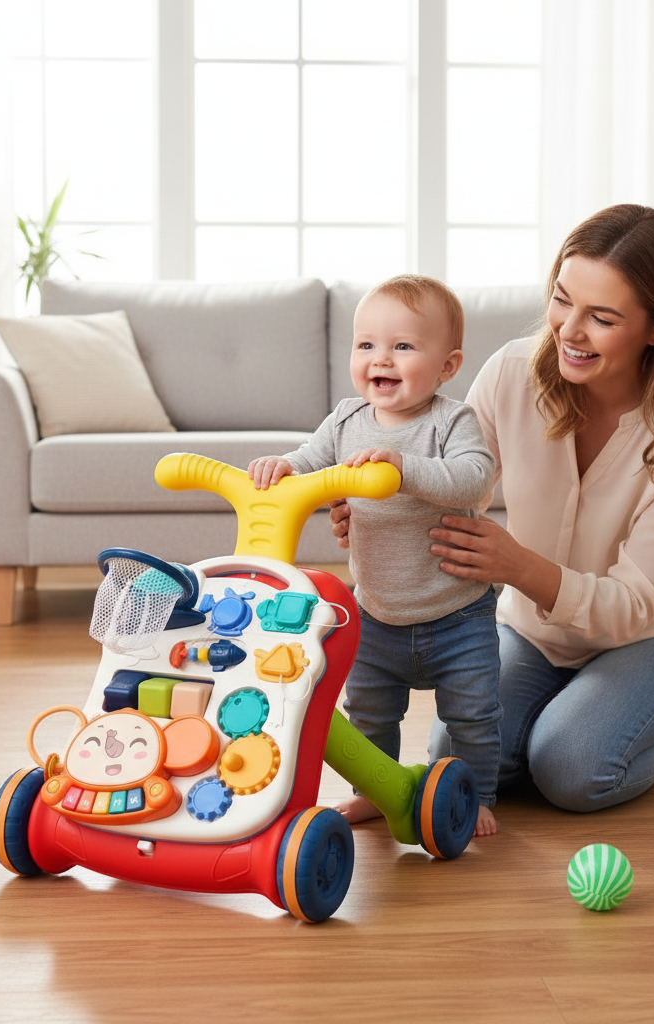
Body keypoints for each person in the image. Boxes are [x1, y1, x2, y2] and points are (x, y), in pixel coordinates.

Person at [331, 205, 654, 813]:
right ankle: (576, 706)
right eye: (562, 299)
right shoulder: (513, 374)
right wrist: (376, 512)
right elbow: (457, 486)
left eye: (601, 317)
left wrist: (518, 567)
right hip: (535, 631)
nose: (570, 330)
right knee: (457, 764)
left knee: (570, 771)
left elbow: (630, 607)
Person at [249, 274, 503, 835]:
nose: (379, 359)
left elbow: (474, 479)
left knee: (473, 717)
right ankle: (375, 789)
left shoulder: (451, 420)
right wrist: (284, 466)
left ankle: (480, 794)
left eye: (403, 346)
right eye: (366, 345)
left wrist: (402, 469)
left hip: (458, 613)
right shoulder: (344, 420)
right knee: (368, 717)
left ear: (448, 365)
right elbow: (309, 458)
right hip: (376, 614)